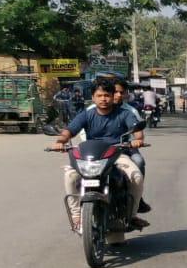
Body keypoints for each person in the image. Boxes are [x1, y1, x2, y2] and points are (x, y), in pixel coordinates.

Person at [52, 78, 147, 233]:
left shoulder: (125, 114)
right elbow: (70, 130)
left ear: (113, 96)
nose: (104, 99)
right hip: (90, 156)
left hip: (117, 154)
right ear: (93, 97)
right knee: (70, 175)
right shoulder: (86, 115)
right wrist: (60, 141)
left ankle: (132, 215)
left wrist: (138, 140)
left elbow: (136, 130)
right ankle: (76, 217)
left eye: (107, 95)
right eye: (100, 95)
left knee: (136, 176)